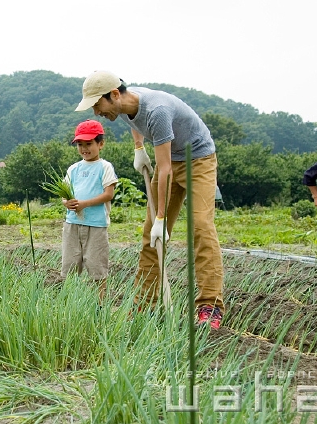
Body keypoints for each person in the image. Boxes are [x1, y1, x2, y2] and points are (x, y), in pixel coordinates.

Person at [75, 70, 225, 329]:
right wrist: (139, 148)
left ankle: (210, 306)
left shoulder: (158, 111)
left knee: (201, 225)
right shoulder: (123, 105)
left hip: (197, 159)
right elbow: (136, 124)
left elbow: (164, 168)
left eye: (98, 105)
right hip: (171, 158)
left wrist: (161, 218)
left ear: (113, 95)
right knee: (150, 237)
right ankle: (144, 305)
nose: (97, 112)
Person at [61, 119, 118, 301]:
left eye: (89, 144)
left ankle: (99, 306)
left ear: (100, 144)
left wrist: (84, 203)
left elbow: (108, 194)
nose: (84, 148)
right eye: (80, 144)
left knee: (97, 267)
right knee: (70, 266)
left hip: (96, 225)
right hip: (73, 224)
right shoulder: (74, 169)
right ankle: (70, 303)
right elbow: (65, 194)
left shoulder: (105, 167)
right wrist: (66, 203)